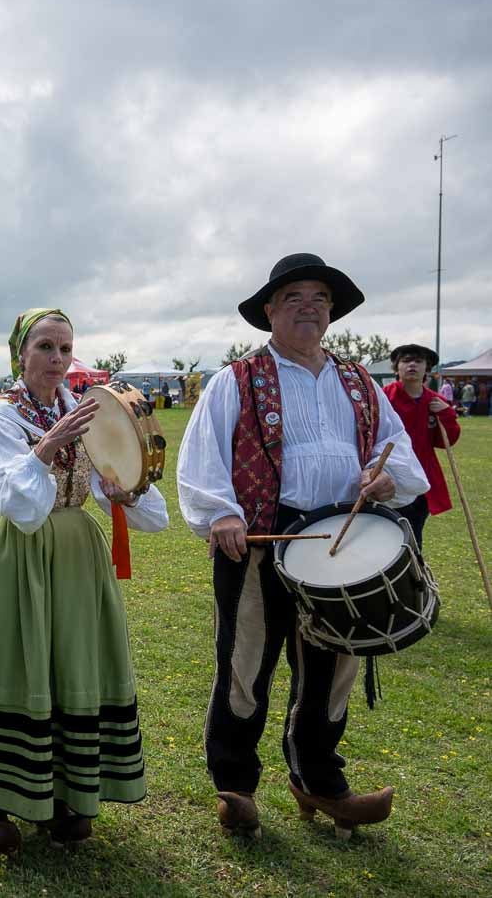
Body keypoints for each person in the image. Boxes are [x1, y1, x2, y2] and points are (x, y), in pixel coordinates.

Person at [176, 253, 427, 838]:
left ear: (332, 311)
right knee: (246, 665)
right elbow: (202, 457)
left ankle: (319, 780)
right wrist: (221, 514)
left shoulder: (359, 382)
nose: (308, 307)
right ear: (269, 312)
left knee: (332, 668)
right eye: (293, 298)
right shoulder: (235, 379)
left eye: (319, 297)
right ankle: (235, 786)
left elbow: (398, 450)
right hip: (260, 542)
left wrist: (387, 478)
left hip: (341, 543)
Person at [0, 308, 167, 854]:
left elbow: (121, 490)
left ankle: (64, 792)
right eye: (45, 348)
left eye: (64, 348)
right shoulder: (3, 417)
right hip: (20, 551)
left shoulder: (83, 409)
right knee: (11, 657)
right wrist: (47, 445)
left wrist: (126, 490)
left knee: (70, 663)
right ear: (21, 354)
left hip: (79, 553)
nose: (57, 360)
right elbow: (17, 504)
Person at [383, 344, 460, 547]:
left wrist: (446, 414)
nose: (412, 365)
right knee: (388, 533)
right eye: (406, 361)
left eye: (418, 361)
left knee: (415, 532)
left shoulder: (436, 401)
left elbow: (446, 442)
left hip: (422, 476)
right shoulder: (382, 398)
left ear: (427, 368)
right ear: (397, 367)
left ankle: (415, 575)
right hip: (389, 475)